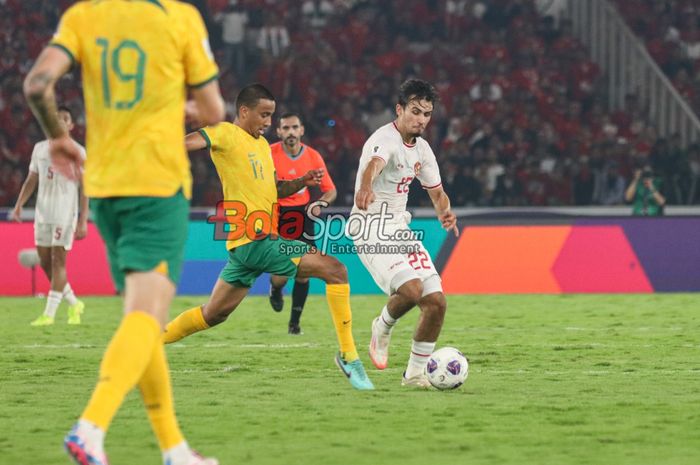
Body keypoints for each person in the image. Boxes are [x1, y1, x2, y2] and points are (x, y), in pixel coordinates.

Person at [23, 1, 226, 464]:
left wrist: (57, 134)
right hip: (157, 187)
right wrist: (183, 101)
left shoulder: (83, 16)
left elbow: (36, 85)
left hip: (105, 187)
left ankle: (175, 450)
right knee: (144, 319)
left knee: (144, 317)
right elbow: (214, 110)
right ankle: (91, 427)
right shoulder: (179, 18)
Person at [163, 84, 373, 391]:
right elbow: (188, 142)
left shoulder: (261, 146)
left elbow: (273, 190)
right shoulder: (224, 133)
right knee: (335, 270)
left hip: (246, 246)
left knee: (214, 313)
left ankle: (148, 343)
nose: (268, 122)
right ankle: (348, 355)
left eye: (271, 116)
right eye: (263, 115)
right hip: (258, 239)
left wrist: (301, 181)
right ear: (244, 111)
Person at [352, 79, 459, 388]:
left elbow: (437, 193)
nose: (421, 119)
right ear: (399, 110)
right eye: (415, 111)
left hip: (399, 229)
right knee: (411, 290)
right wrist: (365, 187)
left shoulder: (423, 150)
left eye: (426, 113)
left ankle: (414, 375)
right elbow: (374, 164)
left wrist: (445, 212)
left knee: (436, 302)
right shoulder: (383, 139)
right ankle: (381, 328)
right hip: (370, 227)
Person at [11, 105, 88, 326]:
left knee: (58, 262)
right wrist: (18, 205)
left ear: (71, 125)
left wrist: (83, 220)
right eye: (56, 118)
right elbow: (31, 179)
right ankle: (74, 303)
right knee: (45, 262)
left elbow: (86, 189)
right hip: (42, 213)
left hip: (65, 214)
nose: (60, 121)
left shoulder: (78, 152)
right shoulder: (39, 149)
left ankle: (49, 314)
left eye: (65, 118)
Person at [268, 112, 337, 335]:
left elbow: (330, 190)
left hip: (304, 214)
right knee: (282, 273)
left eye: (294, 127)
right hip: (278, 213)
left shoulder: (313, 156)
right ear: (278, 132)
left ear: (301, 130)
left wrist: (321, 204)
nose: (290, 132)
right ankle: (276, 289)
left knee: (304, 271)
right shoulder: (269, 153)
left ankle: (294, 323)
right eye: (285, 128)